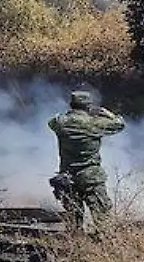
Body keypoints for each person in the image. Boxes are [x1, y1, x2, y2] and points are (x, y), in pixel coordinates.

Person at [47, 90, 125, 232]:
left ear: (71, 104)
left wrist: (70, 115)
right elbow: (119, 124)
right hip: (91, 176)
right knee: (102, 218)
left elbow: (51, 122)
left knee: (73, 219)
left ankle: (75, 245)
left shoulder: (61, 122)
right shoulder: (94, 123)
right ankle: (102, 247)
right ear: (88, 106)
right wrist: (106, 113)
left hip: (67, 176)